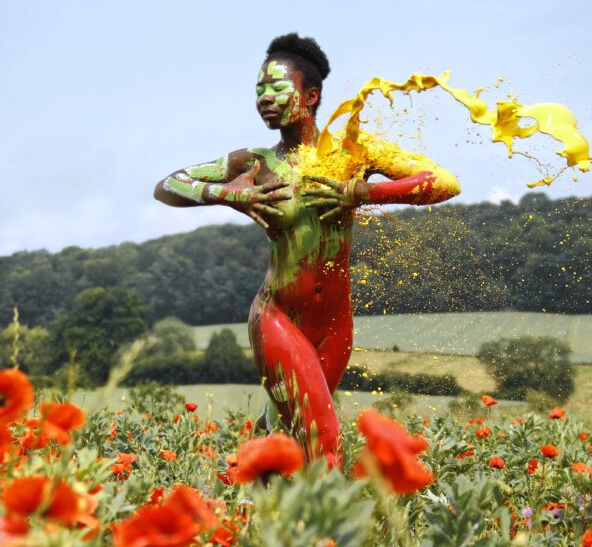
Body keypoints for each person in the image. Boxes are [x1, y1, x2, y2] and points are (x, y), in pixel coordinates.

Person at [154, 33, 460, 465]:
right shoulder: (254, 163)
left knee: (290, 433)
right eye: (259, 91)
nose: (264, 99)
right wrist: (231, 196)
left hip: (336, 324)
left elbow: (445, 183)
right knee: (324, 440)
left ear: (311, 95)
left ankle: (246, 488)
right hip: (278, 316)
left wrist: (362, 194)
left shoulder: (354, 153)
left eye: (276, 89)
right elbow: (168, 185)